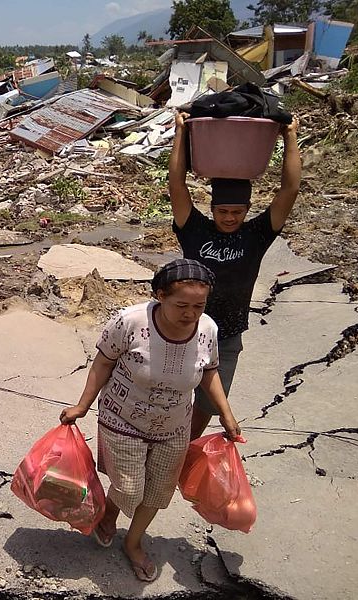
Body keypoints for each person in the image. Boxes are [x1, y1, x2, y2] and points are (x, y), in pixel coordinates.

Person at [60, 258, 241, 583]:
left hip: (174, 425)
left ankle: (133, 542)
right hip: (123, 419)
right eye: (182, 305)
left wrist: (227, 415)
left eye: (198, 305)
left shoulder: (208, 329)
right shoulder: (129, 322)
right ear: (159, 295)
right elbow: (102, 364)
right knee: (129, 489)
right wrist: (82, 405)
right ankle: (110, 512)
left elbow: (209, 372)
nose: (190, 313)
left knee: (158, 493)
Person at [169, 112, 302, 440]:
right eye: (223, 212)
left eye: (237, 213)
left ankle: (182, 452)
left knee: (209, 405)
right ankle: (163, 448)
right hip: (185, 328)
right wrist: (181, 134)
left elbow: (291, 188)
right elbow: (176, 184)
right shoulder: (195, 229)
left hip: (227, 337)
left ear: (247, 211)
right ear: (212, 209)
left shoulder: (257, 233)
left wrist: (290, 137)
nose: (229, 218)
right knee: (168, 397)